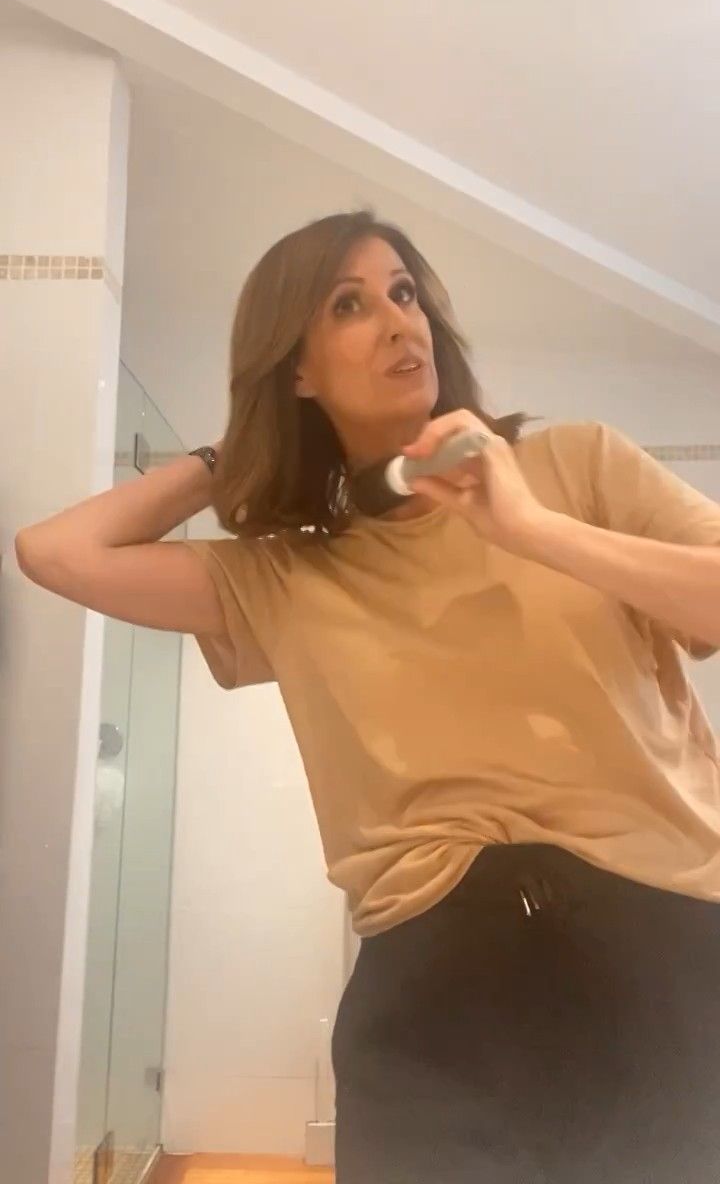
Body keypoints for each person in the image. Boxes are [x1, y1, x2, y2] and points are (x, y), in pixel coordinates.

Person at [16, 210, 720, 1183]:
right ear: (296, 369)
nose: (398, 321)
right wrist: (231, 456)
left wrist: (532, 529)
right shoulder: (289, 574)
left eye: (404, 292)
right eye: (349, 305)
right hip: (432, 997)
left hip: (661, 954)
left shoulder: (579, 466)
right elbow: (55, 553)